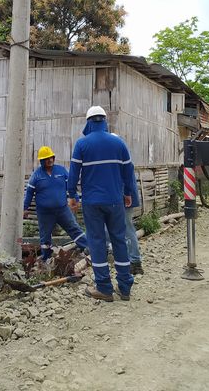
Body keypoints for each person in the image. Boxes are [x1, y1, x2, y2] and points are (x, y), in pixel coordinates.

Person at [67, 106, 135, 302]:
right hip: (115, 201)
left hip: (92, 203)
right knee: (119, 240)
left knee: (96, 242)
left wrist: (72, 195)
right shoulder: (119, 143)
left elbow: (74, 173)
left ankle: (104, 288)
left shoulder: (82, 144)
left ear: (88, 122)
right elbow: (128, 171)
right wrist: (128, 193)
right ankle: (125, 288)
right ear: (105, 121)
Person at [24, 146, 88, 260]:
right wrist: (25, 208)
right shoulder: (36, 175)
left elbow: (71, 186)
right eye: (46, 158)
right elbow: (29, 193)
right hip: (45, 213)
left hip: (62, 210)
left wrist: (75, 199)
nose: (50, 160)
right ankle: (46, 259)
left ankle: (88, 249)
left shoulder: (61, 171)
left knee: (74, 229)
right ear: (41, 161)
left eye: (51, 157)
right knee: (45, 237)